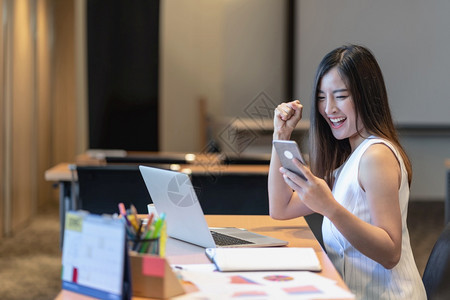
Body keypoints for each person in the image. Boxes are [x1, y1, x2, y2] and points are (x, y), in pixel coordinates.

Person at [268, 44, 426, 300]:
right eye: (321, 97)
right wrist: (281, 134)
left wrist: (329, 207)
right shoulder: (349, 160)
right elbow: (281, 208)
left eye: (340, 96)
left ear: (367, 97)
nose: (328, 108)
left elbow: (390, 253)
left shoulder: (376, 156)